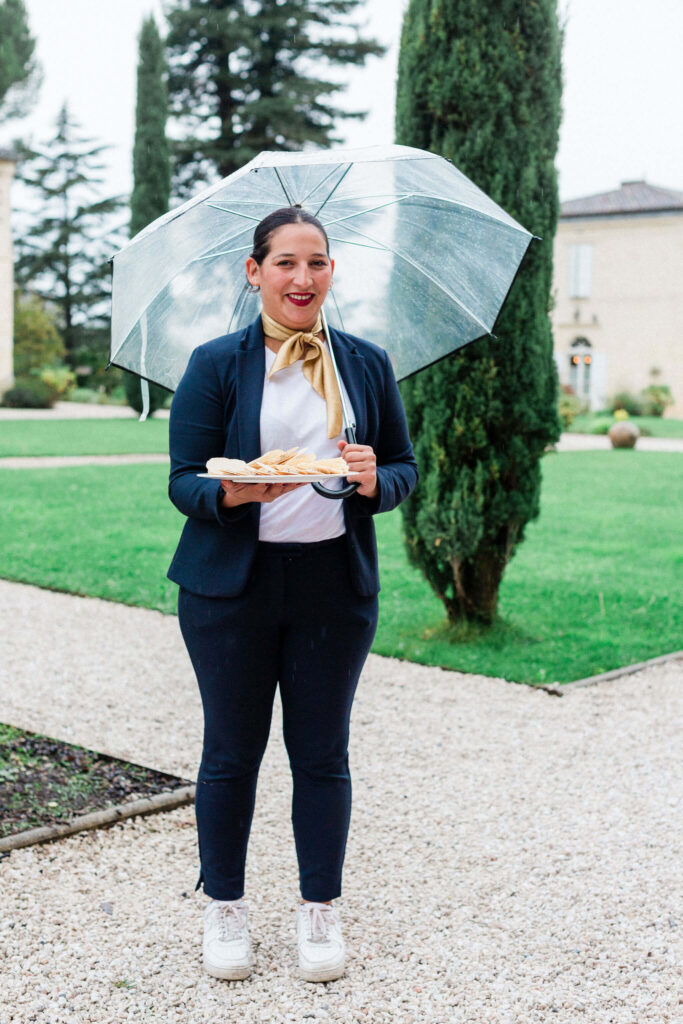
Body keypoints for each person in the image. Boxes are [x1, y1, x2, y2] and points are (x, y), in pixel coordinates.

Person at [167, 206, 418, 982]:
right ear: (255, 273)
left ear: (331, 272)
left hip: (330, 588)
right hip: (228, 591)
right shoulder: (215, 363)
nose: (302, 278)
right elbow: (183, 480)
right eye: (285, 263)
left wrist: (378, 481)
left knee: (320, 756)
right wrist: (239, 491)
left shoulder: (366, 364)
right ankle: (226, 911)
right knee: (229, 755)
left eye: (316, 263)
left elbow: (404, 469)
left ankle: (319, 913)